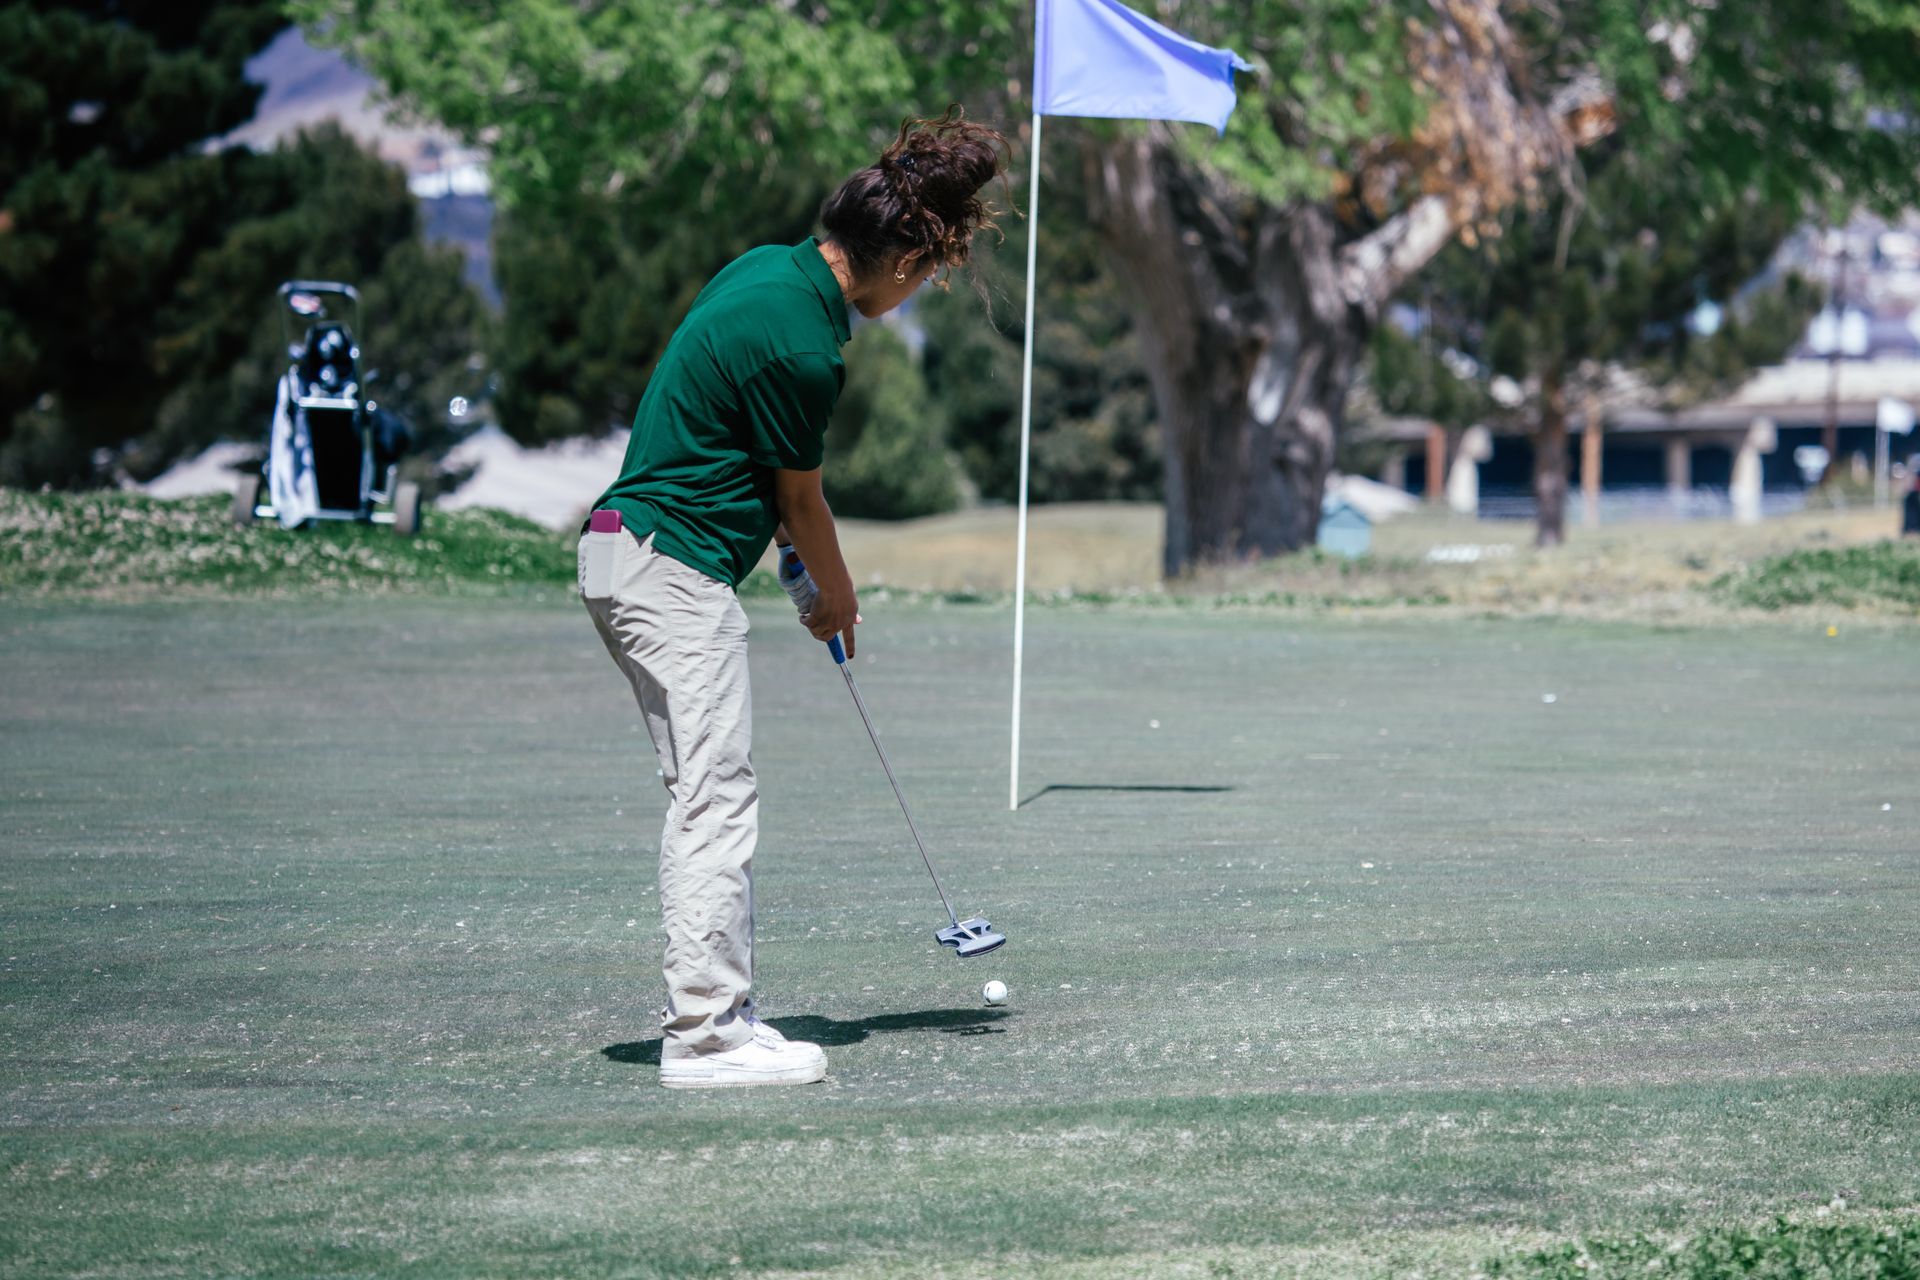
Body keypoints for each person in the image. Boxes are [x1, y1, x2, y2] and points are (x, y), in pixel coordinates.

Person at [578, 109, 1007, 1089]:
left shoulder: (768, 272)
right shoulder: (805, 348)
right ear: (900, 256)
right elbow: (803, 498)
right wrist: (840, 596)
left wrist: (802, 578)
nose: (928, 287)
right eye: (931, 270)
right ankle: (705, 1037)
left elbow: (764, 484)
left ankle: (728, 1013)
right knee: (713, 800)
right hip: (668, 567)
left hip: (630, 554)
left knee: (707, 790)